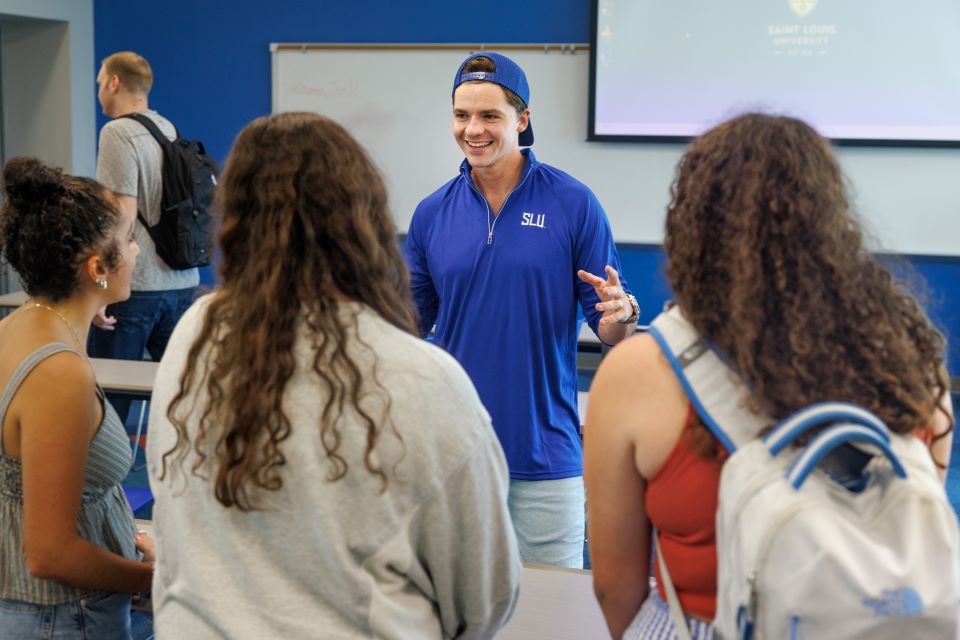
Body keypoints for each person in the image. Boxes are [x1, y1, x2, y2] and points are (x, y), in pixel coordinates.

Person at [146, 112, 520, 639]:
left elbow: (173, 516)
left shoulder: (195, 335)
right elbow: (484, 600)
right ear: (361, 218)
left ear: (235, 218)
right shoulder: (422, 378)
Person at [584, 113, 955, 639]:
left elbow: (614, 587)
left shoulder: (638, 372)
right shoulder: (907, 360)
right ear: (832, 219)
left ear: (693, 225)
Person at [405, 51, 639, 568]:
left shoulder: (574, 204)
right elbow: (408, 330)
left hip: (546, 457)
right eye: (462, 115)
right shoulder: (430, 215)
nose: (474, 130)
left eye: (490, 115)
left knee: (550, 617)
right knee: (453, 617)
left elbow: (610, 330)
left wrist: (623, 315)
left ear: (522, 119)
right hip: (453, 457)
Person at [0, 157, 154, 639]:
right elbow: (51, 553)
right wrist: (155, 580)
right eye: (129, 241)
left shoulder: (21, 325)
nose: (135, 252)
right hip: (65, 617)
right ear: (97, 268)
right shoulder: (58, 373)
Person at [89, 51, 199, 420]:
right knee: (180, 406)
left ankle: (104, 481)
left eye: (100, 82)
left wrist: (101, 288)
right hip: (183, 284)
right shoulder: (168, 130)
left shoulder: (117, 132)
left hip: (136, 291)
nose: (100, 91)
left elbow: (120, 213)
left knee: (107, 411)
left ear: (115, 83)